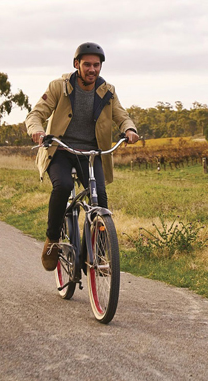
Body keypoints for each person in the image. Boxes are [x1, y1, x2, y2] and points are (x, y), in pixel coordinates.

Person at [25, 42, 140, 271]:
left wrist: (130, 129)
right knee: (63, 186)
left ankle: (97, 254)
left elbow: (121, 115)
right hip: (60, 151)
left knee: (100, 199)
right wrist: (37, 131)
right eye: (87, 64)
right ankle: (52, 240)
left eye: (96, 65)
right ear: (76, 64)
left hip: (91, 154)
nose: (92, 69)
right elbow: (36, 113)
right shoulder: (60, 86)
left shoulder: (107, 91)